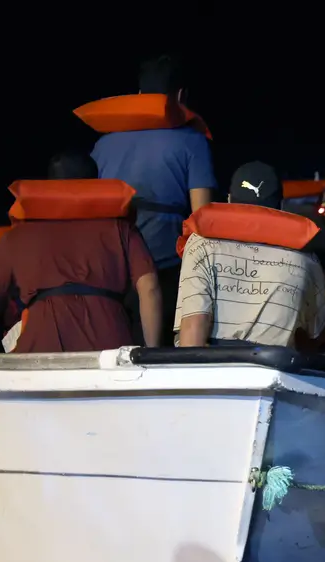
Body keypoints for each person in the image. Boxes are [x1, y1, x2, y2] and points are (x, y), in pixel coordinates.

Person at [0, 154, 162, 355]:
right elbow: (149, 288)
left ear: (49, 186)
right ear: (95, 184)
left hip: (41, 346)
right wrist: (152, 351)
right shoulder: (121, 229)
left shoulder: (19, 235)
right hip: (110, 344)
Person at [90, 54, 216, 344]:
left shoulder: (102, 144)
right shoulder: (192, 141)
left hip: (112, 264)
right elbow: (203, 216)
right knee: (156, 353)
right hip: (166, 264)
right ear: (181, 96)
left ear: (138, 95)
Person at [175, 161, 325, 349]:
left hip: (217, 368)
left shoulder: (201, 245)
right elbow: (321, 332)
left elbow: (194, 327)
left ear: (228, 200)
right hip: (279, 368)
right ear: (281, 206)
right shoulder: (305, 258)